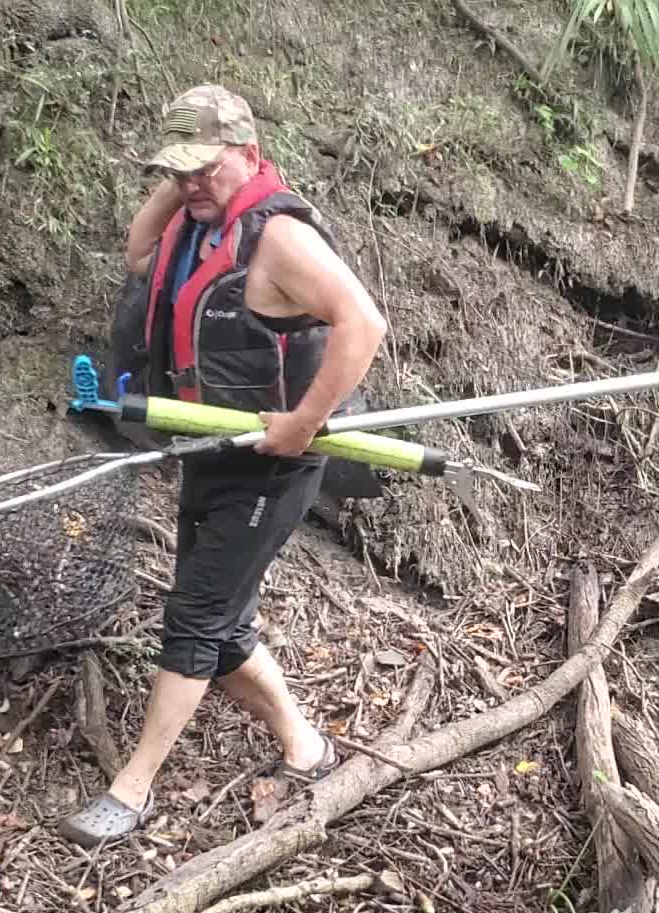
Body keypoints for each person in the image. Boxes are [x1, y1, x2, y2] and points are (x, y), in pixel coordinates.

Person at [58, 84, 388, 847]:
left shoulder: (279, 239)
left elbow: (364, 322)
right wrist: (184, 177)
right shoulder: (193, 219)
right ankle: (308, 747)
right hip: (210, 445)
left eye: (207, 169)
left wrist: (305, 424)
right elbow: (138, 256)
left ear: (249, 152)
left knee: (195, 618)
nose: (190, 185)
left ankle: (132, 790)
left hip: (270, 465)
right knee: (223, 622)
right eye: (178, 172)